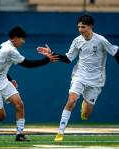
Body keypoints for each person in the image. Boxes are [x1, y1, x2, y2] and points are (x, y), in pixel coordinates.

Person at [37, 14, 119, 142]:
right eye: (79, 27)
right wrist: (51, 54)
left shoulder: (101, 40)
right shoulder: (77, 40)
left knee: (86, 114)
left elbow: (116, 53)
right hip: (79, 76)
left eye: (83, 27)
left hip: (96, 80)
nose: (81, 29)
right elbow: (69, 59)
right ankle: (60, 132)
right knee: (71, 100)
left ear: (91, 26)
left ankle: (84, 108)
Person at [0, 26, 58, 141]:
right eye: (22, 39)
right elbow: (28, 64)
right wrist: (47, 59)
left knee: (19, 104)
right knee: (1, 117)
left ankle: (19, 135)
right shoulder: (9, 50)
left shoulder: (5, 45)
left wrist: (9, 79)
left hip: (3, 80)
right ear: (14, 38)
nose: (23, 42)